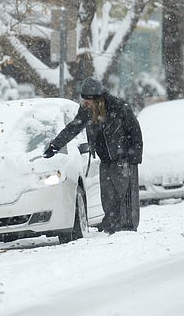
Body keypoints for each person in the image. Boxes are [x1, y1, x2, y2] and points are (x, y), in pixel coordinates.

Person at [43, 77, 143, 233]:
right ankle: (111, 224)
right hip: (105, 160)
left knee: (126, 195)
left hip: (124, 159)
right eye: (83, 100)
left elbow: (135, 131)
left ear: (97, 99)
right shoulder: (86, 111)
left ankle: (128, 227)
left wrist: (134, 157)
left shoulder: (119, 107)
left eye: (87, 100)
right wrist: (55, 145)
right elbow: (73, 128)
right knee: (108, 196)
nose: (84, 103)